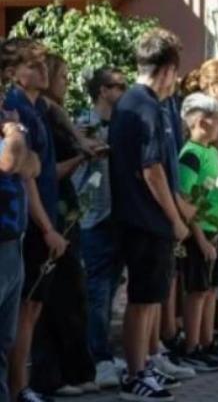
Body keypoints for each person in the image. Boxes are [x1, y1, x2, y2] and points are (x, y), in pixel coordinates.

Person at [109, 28, 193, 400]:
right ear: (167, 70)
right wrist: (175, 218)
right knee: (143, 301)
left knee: (150, 299)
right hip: (145, 220)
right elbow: (152, 170)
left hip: (144, 218)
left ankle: (143, 365)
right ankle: (135, 374)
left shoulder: (135, 102)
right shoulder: (144, 106)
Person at [1, 38, 68, 402]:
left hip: (25, 225)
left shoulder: (34, 108)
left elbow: (35, 166)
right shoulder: (14, 110)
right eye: (34, 65)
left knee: (28, 311)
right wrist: (47, 227)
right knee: (25, 310)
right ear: (13, 74)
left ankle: (18, 387)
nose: (44, 71)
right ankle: (18, 388)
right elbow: (18, 167)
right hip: (22, 224)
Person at [30, 53, 100, 396]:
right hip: (50, 209)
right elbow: (45, 172)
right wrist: (81, 157)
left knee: (73, 292)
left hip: (67, 207)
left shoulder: (56, 114)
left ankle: (76, 371)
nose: (67, 83)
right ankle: (50, 376)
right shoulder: (37, 116)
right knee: (52, 298)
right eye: (63, 76)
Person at [78, 68, 128, 389]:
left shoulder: (122, 123)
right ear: (102, 91)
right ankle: (97, 358)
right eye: (117, 86)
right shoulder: (84, 122)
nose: (123, 91)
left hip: (119, 215)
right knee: (97, 290)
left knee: (110, 289)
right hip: (93, 216)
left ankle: (104, 352)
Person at [175, 93, 218, 373]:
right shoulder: (191, 155)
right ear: (200, 122)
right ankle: (191, 346)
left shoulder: (212, 152)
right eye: (217, 120)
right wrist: (200, 239)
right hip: (202, 233)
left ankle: (207, 342)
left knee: (211, 290)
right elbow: (186, 200)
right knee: (197, 291)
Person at [0, 118, 31, 402]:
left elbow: (33, 166)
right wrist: (16, 131)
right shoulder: (11, 134)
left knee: (4, 339)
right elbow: (10, 162)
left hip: (12, 244)